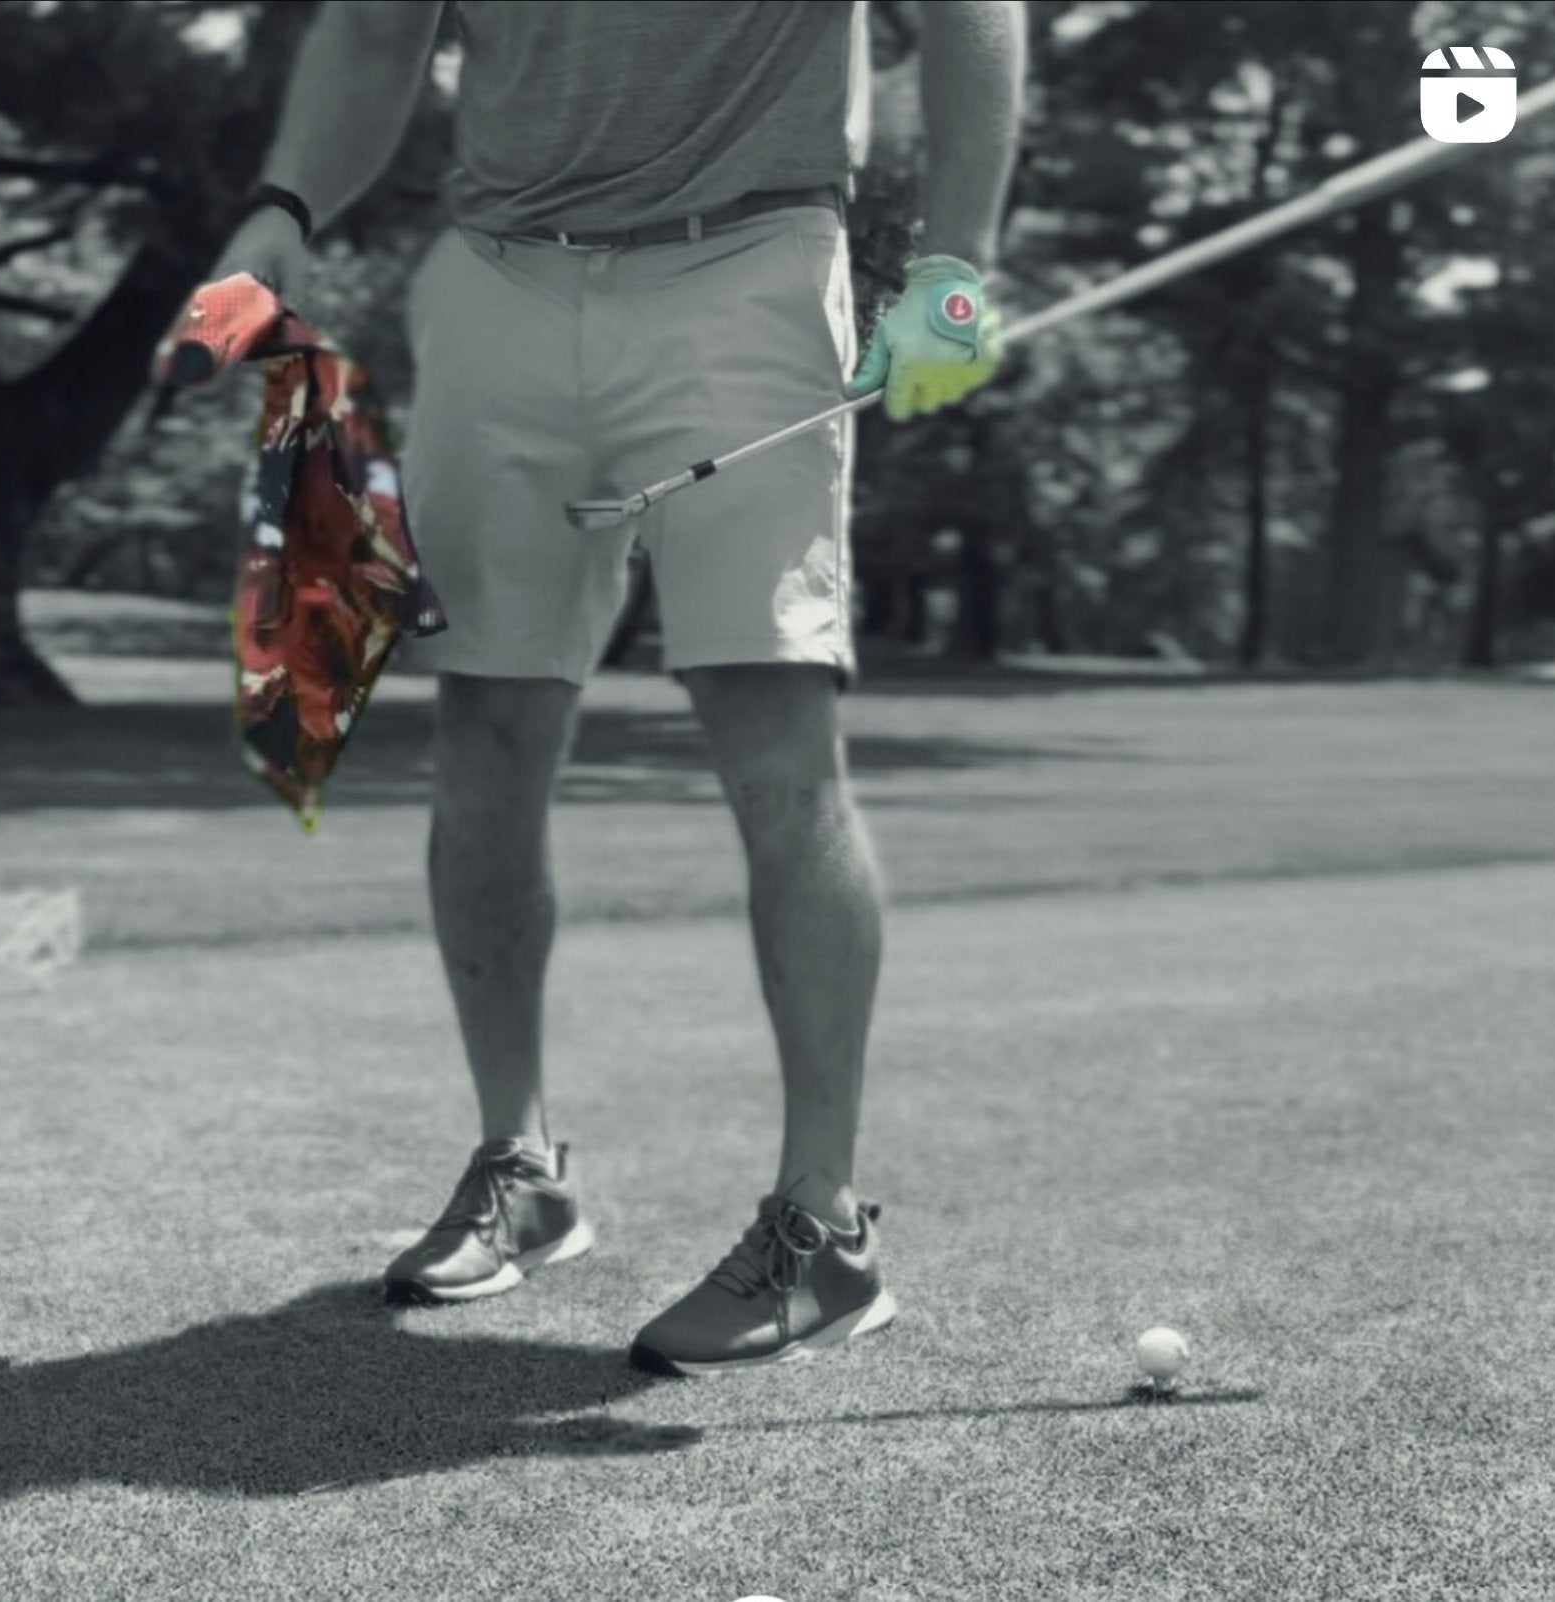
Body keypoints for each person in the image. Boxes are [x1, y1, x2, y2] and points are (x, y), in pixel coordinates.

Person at [206, 0, 1026, 1375]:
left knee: (771, 723)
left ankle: (822, 1225)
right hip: (495, 282)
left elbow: (970, 14)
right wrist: (284, 204)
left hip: (749, 265)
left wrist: (955, 257)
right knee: (487, 721)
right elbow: (372, 31)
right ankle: (517, 1169)